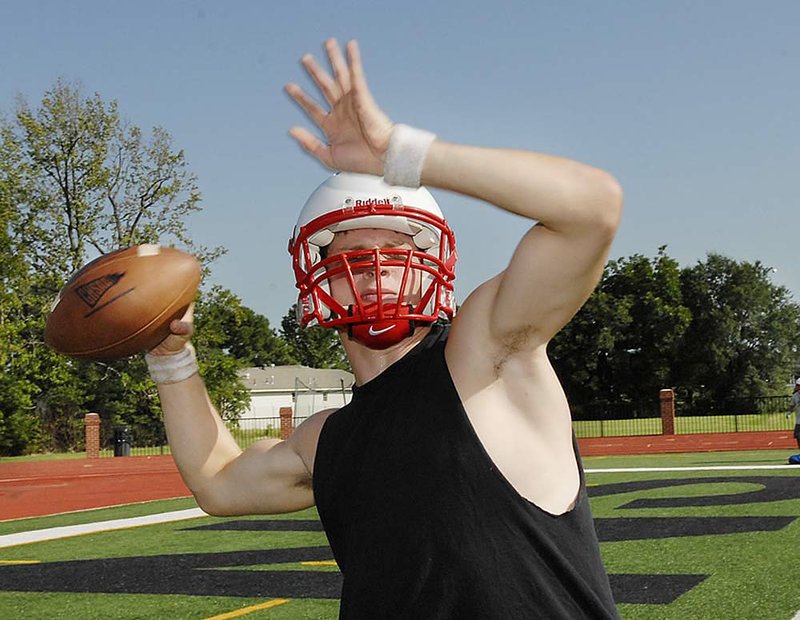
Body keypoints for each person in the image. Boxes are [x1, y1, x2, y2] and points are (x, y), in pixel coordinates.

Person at [145, 38, 623, 619]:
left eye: (396, 249)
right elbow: (218, 481)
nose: (374, 269)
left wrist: (404, 154)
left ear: (433, 265)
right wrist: (171, 356)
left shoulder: (488, 353)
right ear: (314, 277)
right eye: (350, 251)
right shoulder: (327, 439)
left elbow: (592, 209)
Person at [787, 378, 800, 450]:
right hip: (799, 421)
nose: (797, 386)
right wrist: (789, 412)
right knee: (798, 436)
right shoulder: (795, 396)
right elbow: (791, 405)